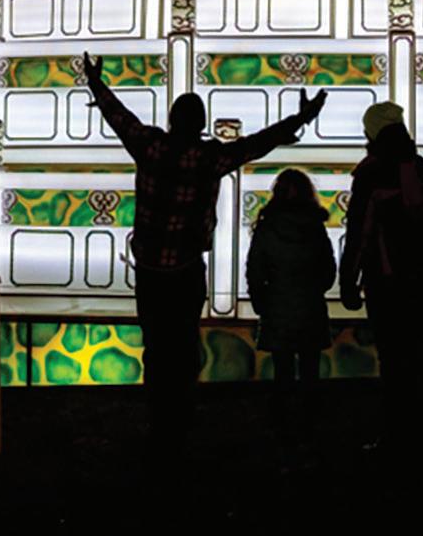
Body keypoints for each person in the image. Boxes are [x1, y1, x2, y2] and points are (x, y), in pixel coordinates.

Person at [82, 51, 327, 441]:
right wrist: (300, 119)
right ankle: (182, 414)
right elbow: (257, 144)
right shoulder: (209, 157)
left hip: (149, 271)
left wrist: (96, 82)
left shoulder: (149, 146)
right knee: (184, 343)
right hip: (186, 269)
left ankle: (159, 418)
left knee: (155, 345)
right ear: (201, 126)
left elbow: (119, 116)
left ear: (171, 120)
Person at [339, 101, 423, 447]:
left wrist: (348, 280)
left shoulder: (371, 172)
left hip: (385, 281)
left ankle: (397, 432)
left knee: (392, 357)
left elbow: (359, 231)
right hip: (419, 276)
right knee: (414, 350)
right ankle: (421, 430)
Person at [245, 168, 336, 422]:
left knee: (282, 368)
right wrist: (314, 289)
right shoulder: (315, 227)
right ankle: (310, 417)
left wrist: (260, 302)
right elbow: (328, 269)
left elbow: (255, 270)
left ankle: (281, 418)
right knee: (310, 366)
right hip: (310, 304)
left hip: (277, 305)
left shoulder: (267, 228)